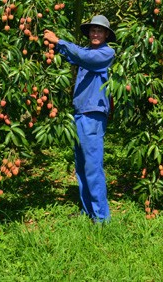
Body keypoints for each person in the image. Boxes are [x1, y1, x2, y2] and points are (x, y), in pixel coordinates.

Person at [44, 15, 115, 223]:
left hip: (93, 114)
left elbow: (84, 58)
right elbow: (73, 55)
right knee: (82, 164)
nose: (95, 34)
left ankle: (102, 218)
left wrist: (59, 41)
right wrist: (53, 44)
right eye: (93, 30)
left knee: (93, 166)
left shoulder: (106, 53)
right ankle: (88, 211)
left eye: (99, 31)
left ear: (106, 35)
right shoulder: (86, 53)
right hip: (80, 113)